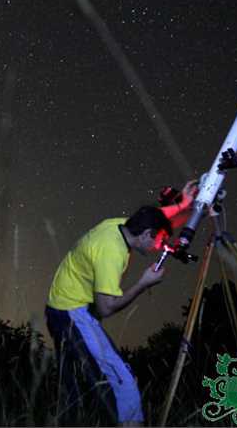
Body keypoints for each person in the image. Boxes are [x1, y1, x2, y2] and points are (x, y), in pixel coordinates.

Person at [45, 181, 197, 427]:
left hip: (60, 304)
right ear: (146, 234)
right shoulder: (111, 252)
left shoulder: (120, 225)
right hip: (71, 312)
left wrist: (183, 205)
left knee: (74, 388)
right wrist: (143, 283)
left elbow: (154, 217)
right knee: (121, 380)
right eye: (158, 240)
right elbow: (106, 308)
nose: (160, 246)